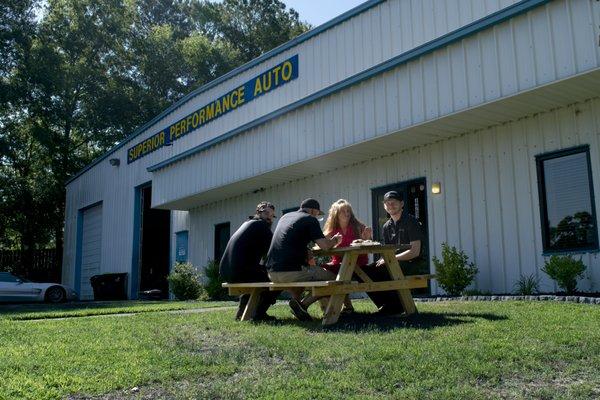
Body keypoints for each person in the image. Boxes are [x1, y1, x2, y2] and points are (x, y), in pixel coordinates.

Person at [266, 198, 342, 321]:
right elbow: (325, 246)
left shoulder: (285, 217)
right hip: (291, 272)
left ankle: (298, 305)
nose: (317, 218)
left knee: (311, 276)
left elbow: (289, 241)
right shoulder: (310, 219)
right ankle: (303, 305)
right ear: (312, 211)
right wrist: (335, 240)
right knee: (334, 279)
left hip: (272, 272)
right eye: (318, 214)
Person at [361, 190, 425, 315]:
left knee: (383, 270)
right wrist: (383, 258)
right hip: (394, 261)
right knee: (363, 272)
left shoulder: (411, 221)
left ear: (402, 204)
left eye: (393, 202)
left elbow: (415, 251)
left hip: (412, 262)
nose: (390, 205)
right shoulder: (386, 226)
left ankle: (394, 306)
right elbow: (388, 250)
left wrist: (391, 259)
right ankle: (388, 305)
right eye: (387, 203)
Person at [219, 201, 280, 321]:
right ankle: (259, 313)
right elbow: (275, 249)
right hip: (240, 271)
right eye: (266, 213)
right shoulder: (261, 226)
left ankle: (242, 313)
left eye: (272, 215)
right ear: (258, 212)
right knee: (278, 278)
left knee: (257, 274)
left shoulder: (248, 223)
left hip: (226, 271)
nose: (269, 217)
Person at [322, 199, 373, 314]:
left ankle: (341, 308)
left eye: (348, 211)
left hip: (357, 262)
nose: (347, 214)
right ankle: (341, 307)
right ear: (336, 214)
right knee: (323, 270)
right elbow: (322, 244)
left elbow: (368, 243)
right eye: (343, 211)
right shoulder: (332, 229)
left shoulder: (358, 226)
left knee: (340, 273)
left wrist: (367, 239)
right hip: (338, 262)